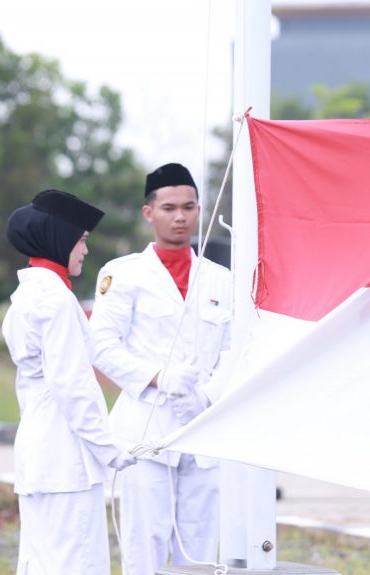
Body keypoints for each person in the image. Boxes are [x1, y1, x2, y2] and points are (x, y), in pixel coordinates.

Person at [90, 163, 232, 574]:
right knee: (144, 544)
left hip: (202, 427)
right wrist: (156, 376)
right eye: (169, 207)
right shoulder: (123, 273)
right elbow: (100, 344)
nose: (181, 217)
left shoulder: (220, 279)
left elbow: (232, 351)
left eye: (189, 207)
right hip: (145, 432)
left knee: (200, 547)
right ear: (148, 212)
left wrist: (209, 396)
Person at [2, 189, 137, 574]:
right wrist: (109, 448)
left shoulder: (27, 295)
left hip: (39, 452)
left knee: (41, 562)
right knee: (74, 564)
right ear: (60, 238)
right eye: (82, 240)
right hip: (65, 459)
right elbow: (72, 386)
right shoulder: (55, 301)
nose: (85, 251)